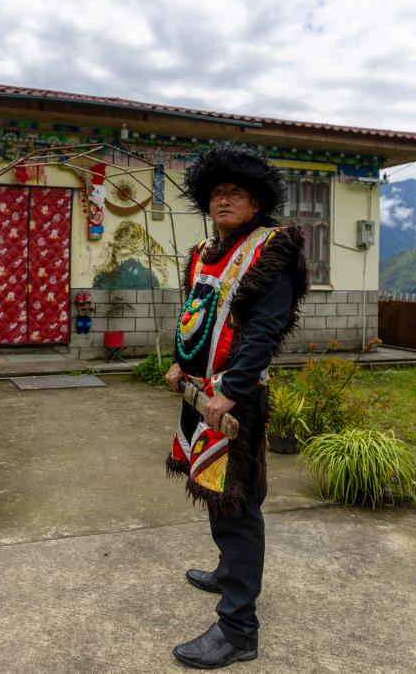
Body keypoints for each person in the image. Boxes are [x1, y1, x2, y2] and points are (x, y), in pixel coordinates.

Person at [165, 145, 309, 669]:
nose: (223, 200)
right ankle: (229, 572)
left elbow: (266, 330)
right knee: (215, 491)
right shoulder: (206, 251)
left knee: (239, 504)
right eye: (216, 193)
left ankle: (239, 628)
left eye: (235, 192)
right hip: (200, 395)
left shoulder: (271, 249)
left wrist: (233, 390)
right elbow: (196, 314)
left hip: (233, 401)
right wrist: (180, 363)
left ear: (256, 201)